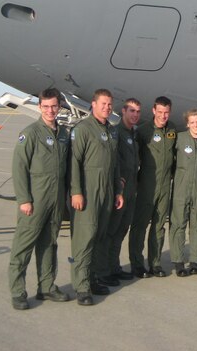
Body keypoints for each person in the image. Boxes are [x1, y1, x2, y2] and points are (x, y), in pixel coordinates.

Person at [8, 88, 71, 310]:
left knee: (49, 245)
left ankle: (46, 286)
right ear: (39, 107)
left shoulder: (63, 134)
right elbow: (19, 168)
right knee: (23, 246)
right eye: (46, 106)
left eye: (54, 106)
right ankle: (18, 292)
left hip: (55, 200)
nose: (50, 110)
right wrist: (24, 199)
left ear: (59, 107)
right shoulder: (31, 133)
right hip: (35, 199)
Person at [69, 89, 124, 306]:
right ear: (93, 104)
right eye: (103, 104)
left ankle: (92, 279)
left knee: (100, 236)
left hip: (107, 191)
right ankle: (81, 287)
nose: (107, 108)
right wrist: (76, 191)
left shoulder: (111, 131)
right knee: (85, 238)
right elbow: (74, 162)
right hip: (88, 191)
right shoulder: (83, 129)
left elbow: (115, 164)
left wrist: (118, 190)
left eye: (110, 104)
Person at [129, 96, 177, 277]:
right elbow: (134, 158)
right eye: (160, 112)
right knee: (140, 225)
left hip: (165, 185)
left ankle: (155, 263)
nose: (163, 116)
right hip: (147, 185)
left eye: (166, 112)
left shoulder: (172, 129)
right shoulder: (143, 132)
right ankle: (136, 263)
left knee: (159, 226)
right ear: (153, 111)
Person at [170, 109, 197, 276]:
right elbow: (170, 159)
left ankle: (195, 260)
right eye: (192, 122)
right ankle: (178, 261)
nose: (196, 125)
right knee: (178, 224)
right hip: (181, 188)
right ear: (187, 124)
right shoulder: (180, 139)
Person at [100, 98, 141, 282]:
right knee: (111, 230)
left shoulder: (133, 133)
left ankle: (114, 266)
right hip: (121, 189)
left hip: (131, 189)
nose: (135, 115)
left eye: (137, 112)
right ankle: (103, 270)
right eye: (131, 111)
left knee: (122, 229)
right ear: (123, 111)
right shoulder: (116, 133)